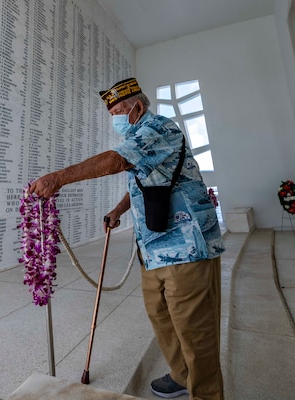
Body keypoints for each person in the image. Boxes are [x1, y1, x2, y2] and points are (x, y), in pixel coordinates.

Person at [30, 77, 225, 400]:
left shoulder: (160, 128)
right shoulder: (139, 137)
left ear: (138, 106)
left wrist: (59, 177)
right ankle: (181, 374)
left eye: (120, 109)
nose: (117, 117)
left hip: (187, 246)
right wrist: (119, 209)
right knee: (159, 314)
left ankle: (206, 394)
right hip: (153, 247)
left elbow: (117, 161)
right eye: (112, 113)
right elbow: (144, 181)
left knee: (195, 328)